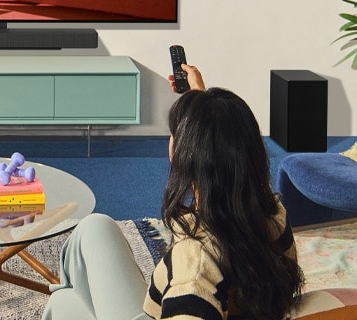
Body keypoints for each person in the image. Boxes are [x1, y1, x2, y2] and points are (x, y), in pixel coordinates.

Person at [41, 64, 305, 320]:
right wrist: (198, 99)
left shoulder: (195, 261)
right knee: (95, 227)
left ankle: (70, 291)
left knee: (64, 303)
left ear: (187, 155)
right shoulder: (271, 211)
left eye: (174, 134)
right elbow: (225, 146)